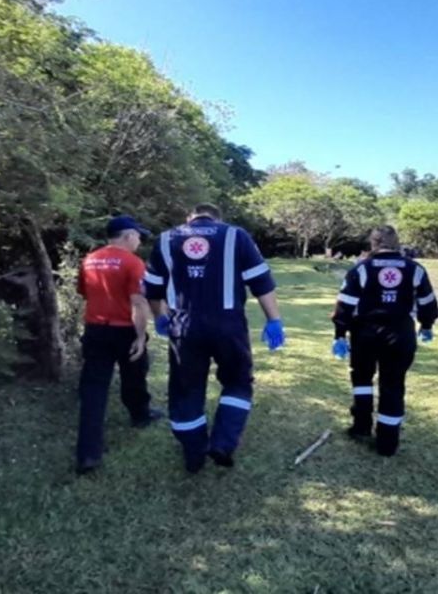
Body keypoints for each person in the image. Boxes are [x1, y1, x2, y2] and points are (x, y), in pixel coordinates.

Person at [143, 203, 284, 473]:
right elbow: (261, 282)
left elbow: (152, 289)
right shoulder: (235, 235)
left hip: (184, 326)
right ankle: (223, 442)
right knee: (238, 381)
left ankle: (194, 454)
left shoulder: (166, 238)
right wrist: (273, 319)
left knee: (186, 388)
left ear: (190, 217)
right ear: (217, 218)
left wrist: (160, 316)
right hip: (228, 325)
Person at [331, 225, 438, 456]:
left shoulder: (361, 269)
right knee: (393, 384)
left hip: (365, 334)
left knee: (361, 379)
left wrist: (340, 334)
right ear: (397, 242)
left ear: (373, 243)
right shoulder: (415, 269)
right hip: (401, 335)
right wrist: (427, 325)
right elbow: (427, 302)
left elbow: (345, 305)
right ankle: (387, 443)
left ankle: (361, 427)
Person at [73, 215, 165, 476]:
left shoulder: (89, 259)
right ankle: (140, 416)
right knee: (134, 375)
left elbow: (85, 292)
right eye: (138, 236)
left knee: (93, 389)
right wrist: (139, 337)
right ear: (127, 236)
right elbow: (138, 303)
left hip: (95, 330)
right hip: (124, 330)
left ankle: (88, 454)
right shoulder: (133, 263)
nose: (139, 241)